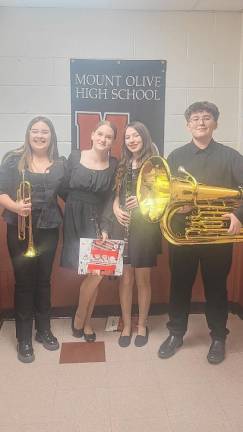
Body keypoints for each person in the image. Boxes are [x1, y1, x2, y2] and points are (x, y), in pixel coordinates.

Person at [158, 101, 243, 364]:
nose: (201, 122)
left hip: (217, 234)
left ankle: (218, 336)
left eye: (207, 118)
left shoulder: (231, 156)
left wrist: (238, 214)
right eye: (195, 119)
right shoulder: (175, 157)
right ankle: (176, 333)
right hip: (183, 234)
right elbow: (162, 195)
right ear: (188, 125)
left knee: (216, 287)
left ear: (215, 123)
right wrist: (175, 205)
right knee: (179, 285)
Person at [0, 116, 68, 363]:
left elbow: (70, 193)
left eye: (45, 132)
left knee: (43, 281)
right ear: (28, 134)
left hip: (49, 228)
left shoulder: (60, 164)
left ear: (52, 137)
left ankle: (44, 330)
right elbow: (1, 192)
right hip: (19, 227)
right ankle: (24, 338)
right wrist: (16, 207)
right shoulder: (12, 159)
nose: (40, 135)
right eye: (35, 131)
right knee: (24, 283)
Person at [61, 120, 117, 341]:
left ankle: (81, 317)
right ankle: (86, 324)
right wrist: (74, 207)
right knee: (88, 272)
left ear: (113, 141)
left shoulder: (114, 164)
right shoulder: (75, 157)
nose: (103, 139)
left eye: (109, 136)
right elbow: (63, 187)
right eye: (100, 134)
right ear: (92, 134)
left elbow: (110, 198)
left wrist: (105, 226)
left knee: (97, 273)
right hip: (74, 218)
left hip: (98, 220)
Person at [113, 121, 161, 348]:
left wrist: (142, 203)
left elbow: (163, 198)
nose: (131, 140)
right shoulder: (122, 164)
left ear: (144, 137)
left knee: (143, 280)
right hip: (123, 226)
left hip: (144, 229)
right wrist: (115, 207)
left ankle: (142, 324)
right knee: (125, 279)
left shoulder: (155, 163)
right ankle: (127, 325)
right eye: (127, 137)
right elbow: (115, 194)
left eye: (136, 136)